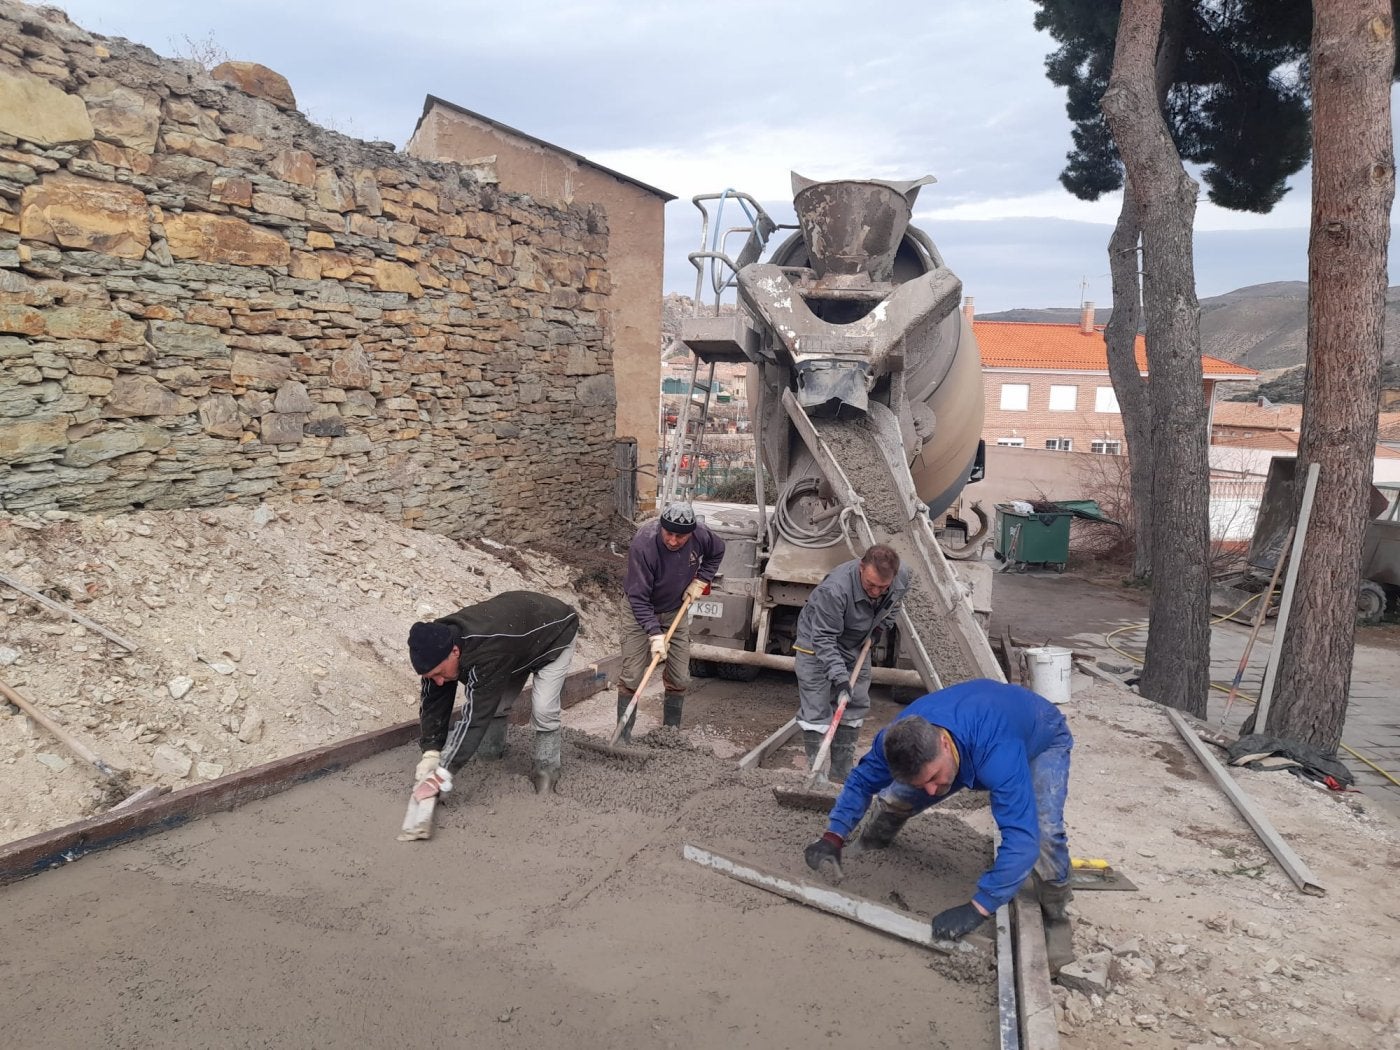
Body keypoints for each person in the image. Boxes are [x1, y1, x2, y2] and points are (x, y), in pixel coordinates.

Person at [802, 678, 1074, 945]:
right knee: (896, 797)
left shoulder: (998, 754)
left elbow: (1021, 840)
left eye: (933, 777)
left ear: (944, 743)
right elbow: (861, 781)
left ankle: (1055, 913)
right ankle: (871, 845)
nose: (932, 792)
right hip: (969, 731)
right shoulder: (894, 740)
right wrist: (833, 836)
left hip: (1041, 737)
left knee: (1044, 834)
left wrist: (979, 907)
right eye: (923, 783)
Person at [408, 590, 578, 797]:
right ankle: (491, 752)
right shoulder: (435, 645)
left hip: (555, 632)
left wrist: (441, 774)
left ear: (455, 652)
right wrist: (431, 752)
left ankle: (546, 769)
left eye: (439, 673)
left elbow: (476, 715)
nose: (439, 681)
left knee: (544, 708)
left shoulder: (488, 651)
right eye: (431, 676)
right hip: (516, 642)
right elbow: (435, 701)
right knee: (496, 704)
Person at [792, 544, 910, 782]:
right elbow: (824, 639)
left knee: (855, 703)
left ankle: (841, 772)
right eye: (870, 584)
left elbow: (896, 602)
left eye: (882, 587)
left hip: (857, 645)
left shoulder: (902, 577)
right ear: (861, 568)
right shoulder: (835, 590)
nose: (875, 592)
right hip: (816, 645)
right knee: (816, 709)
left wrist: (880, 628)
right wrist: (840, 678)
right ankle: (817, 778)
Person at [617, 501, 725, 739]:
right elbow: (638, 597)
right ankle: (622, 738)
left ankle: (670, 736)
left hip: (676, 609)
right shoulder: (644, 544)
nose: (673, 541)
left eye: (680, 536)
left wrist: (702, 579)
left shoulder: (701, 535)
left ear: (691, 533)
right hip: (639, 611)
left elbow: (718, 551)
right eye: (669, 534)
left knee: (679, 676)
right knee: (633, 675)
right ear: (661, 527)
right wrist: (654, 633)